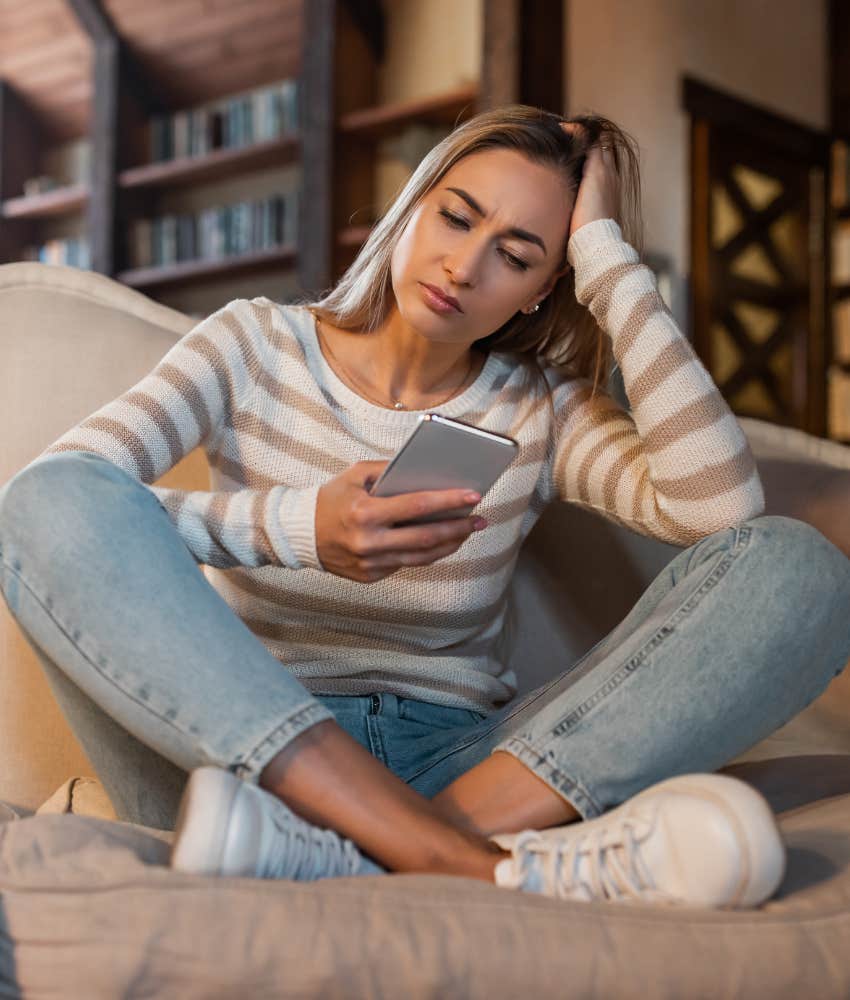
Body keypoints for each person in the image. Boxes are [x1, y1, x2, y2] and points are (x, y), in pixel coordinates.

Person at [1, 104, 849, 908]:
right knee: (45, 500)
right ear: (411, 208)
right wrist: (298, 530)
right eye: (456, 217)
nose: (465, 266)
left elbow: (719, 510)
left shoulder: (539, 411)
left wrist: (607, 256)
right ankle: (456, 864)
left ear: (543, 290)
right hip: (235, 762)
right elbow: (60, 499)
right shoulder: (253, 344)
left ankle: (380, 851)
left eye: (517, 256)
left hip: (467, 767)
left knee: (798, 568)